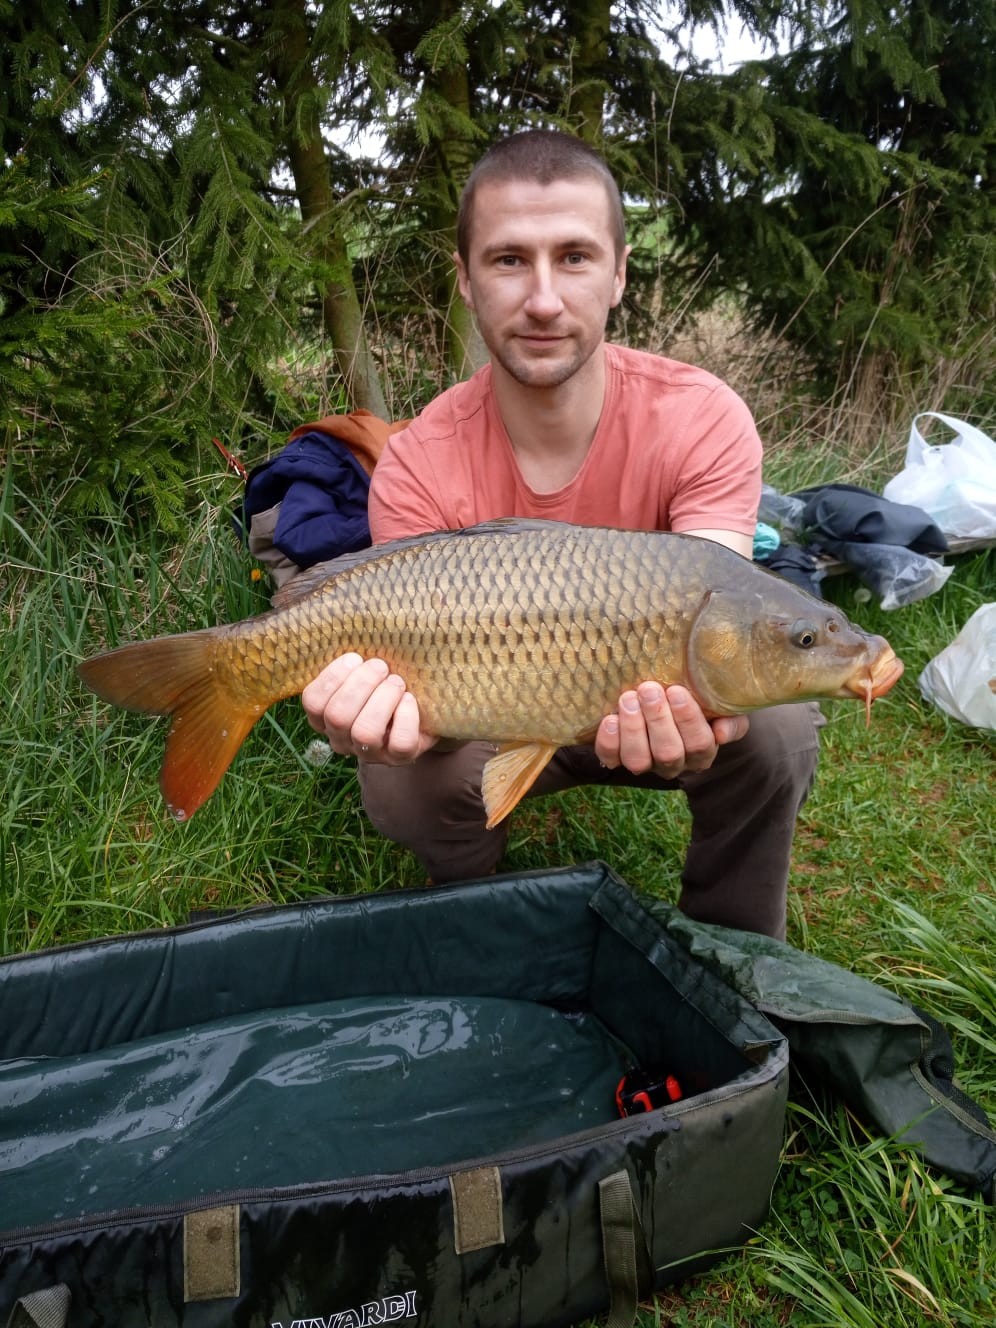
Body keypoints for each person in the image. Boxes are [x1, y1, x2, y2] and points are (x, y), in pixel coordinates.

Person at [301, 129, 823, 940]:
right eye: (510, 260)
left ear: (618, 274)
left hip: (654, 708)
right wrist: (370, 721)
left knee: (777, 726)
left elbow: (729, 607)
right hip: (487, 712)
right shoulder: (416, 462)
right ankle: (468, 911)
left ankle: (735, 948)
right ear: (466, 279)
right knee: (398, 776)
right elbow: (400, 680)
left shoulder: (703, 417)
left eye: (574, 257)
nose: (543, 299)